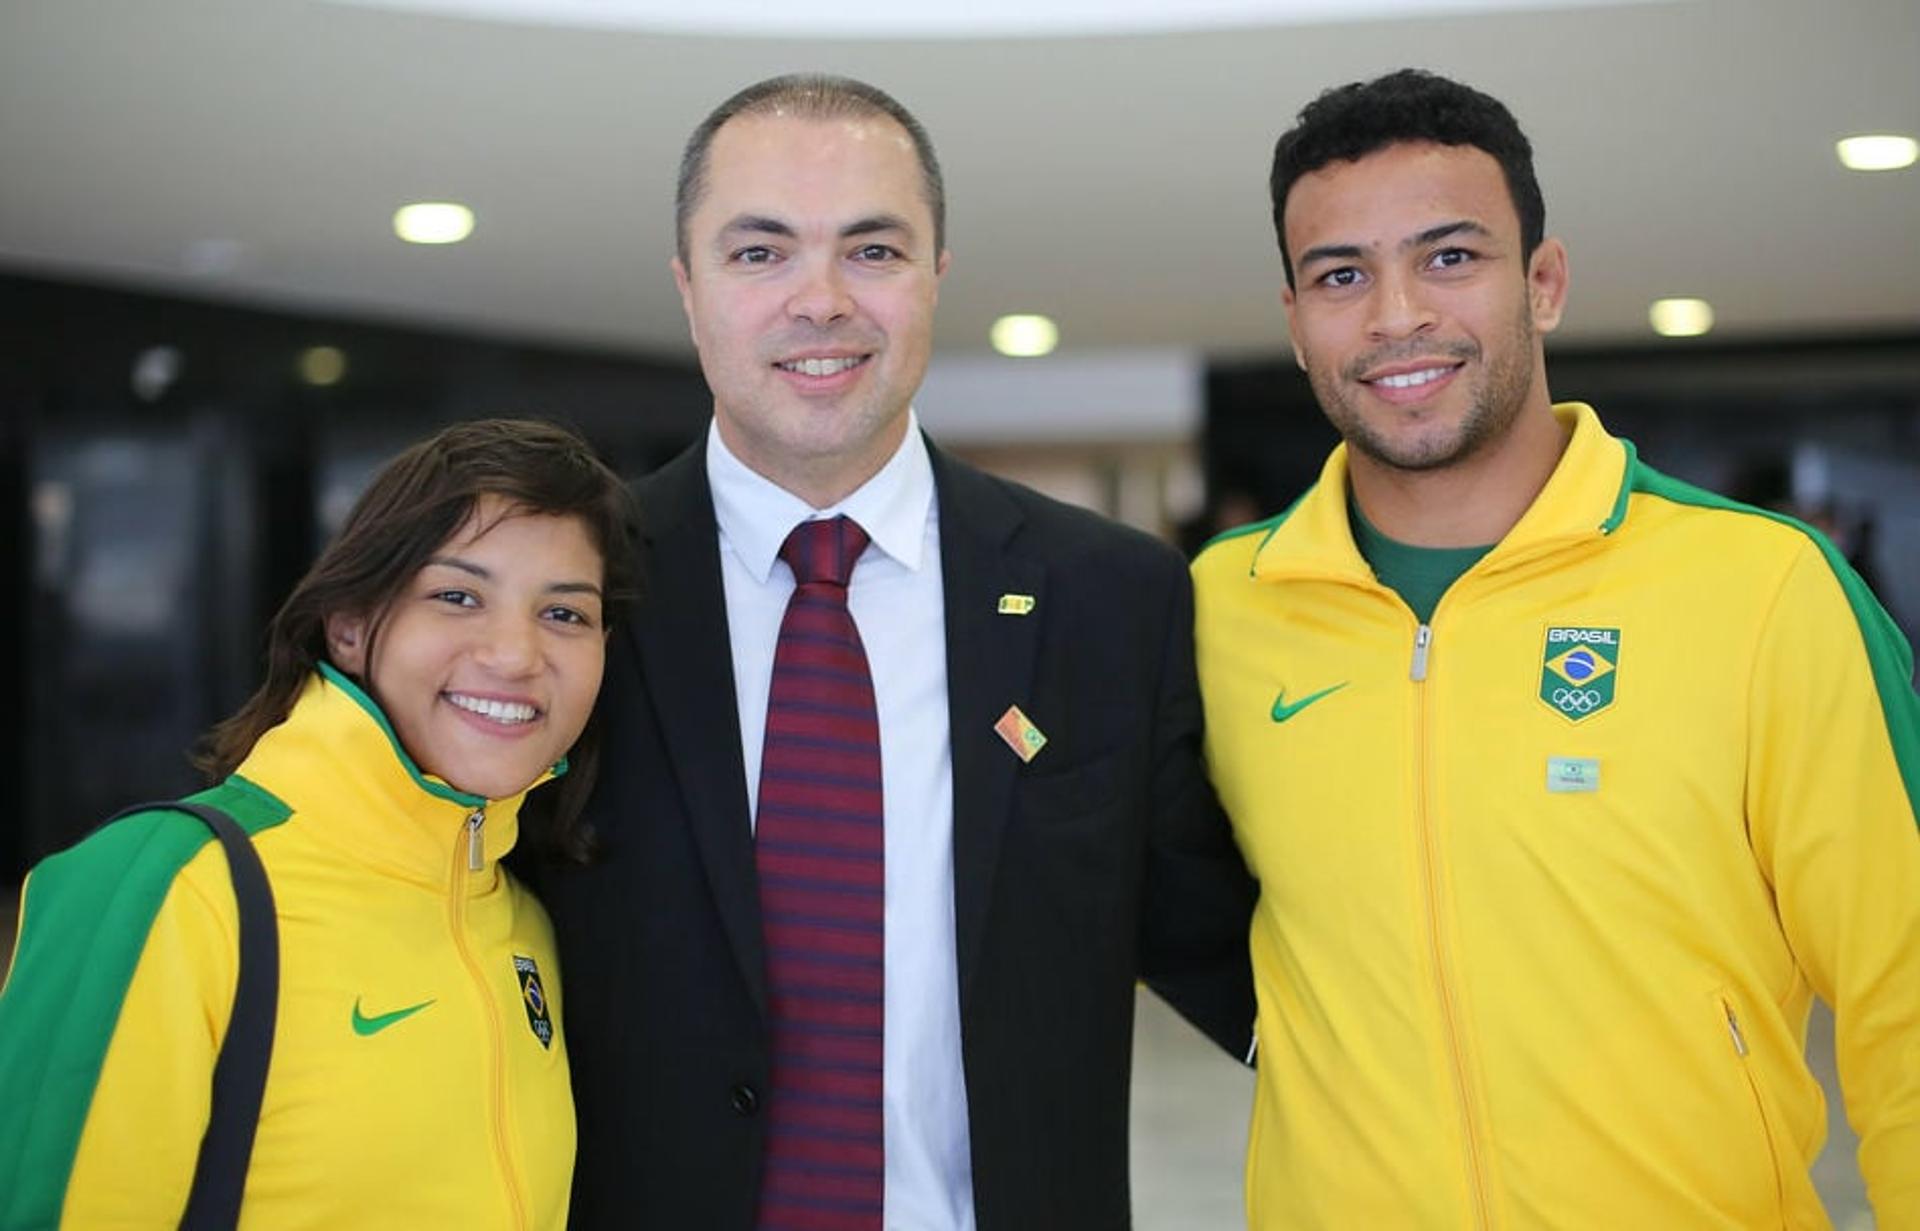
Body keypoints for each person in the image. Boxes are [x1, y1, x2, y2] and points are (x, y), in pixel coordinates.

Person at [521, 74, 1256, 1230]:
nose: (822, 302)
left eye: (873, 250)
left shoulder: (1107, 596)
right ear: (688, 287)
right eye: (760, 254)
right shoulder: (567, 593)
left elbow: (1228, 948)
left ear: (935, 278)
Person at [1192, 68, 1920, 1227]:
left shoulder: (1765, 587)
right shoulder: (1217, 608)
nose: (1395, 317)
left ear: (1544, 284)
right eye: (1342, 275)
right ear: (1295, 324)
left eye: (1449, 257)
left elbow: (1906, 992)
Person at [0, 418, 637, 1228]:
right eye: (457, 596)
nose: (515, 654)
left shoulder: (524, 924)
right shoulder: (173, 886)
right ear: (351, 623)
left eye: (565, 614)